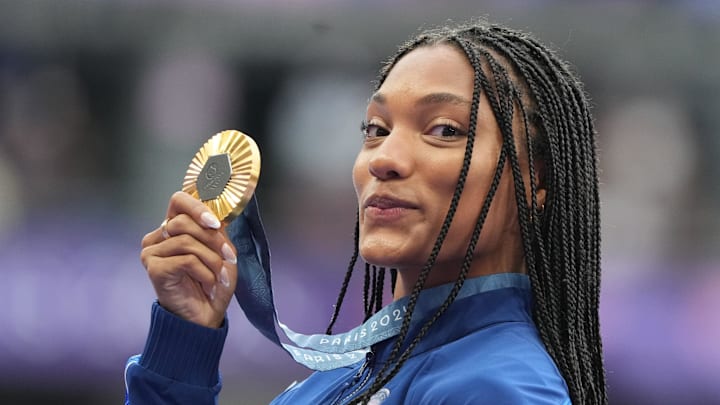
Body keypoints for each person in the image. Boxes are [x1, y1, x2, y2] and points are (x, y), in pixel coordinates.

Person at [125, 21, 608, 404]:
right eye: (376, 128)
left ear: (536, 179)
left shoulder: (498, 388)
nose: (383, 158)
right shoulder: (346, 379)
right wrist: (185, 338)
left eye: (443, 130)